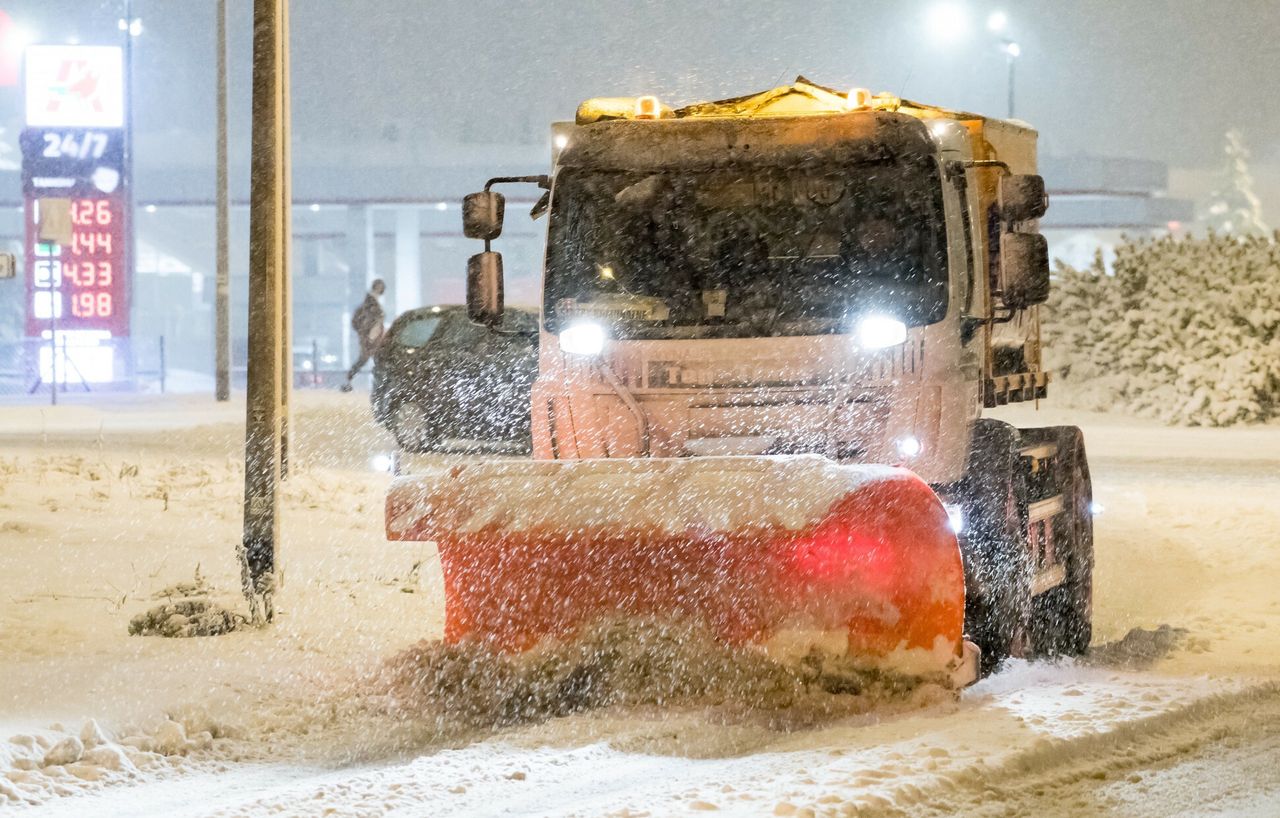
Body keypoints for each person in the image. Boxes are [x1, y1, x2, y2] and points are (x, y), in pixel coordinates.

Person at [339, 279, 386, 392]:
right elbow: (368, 320)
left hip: (371, 336)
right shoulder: (370, 304)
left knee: (368, 359)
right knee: (370, 359)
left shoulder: (370, 303)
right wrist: (366, 332)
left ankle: (349, 381)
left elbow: (357, 321)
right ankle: (380, 385)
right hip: (370, 337)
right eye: (379, 287)